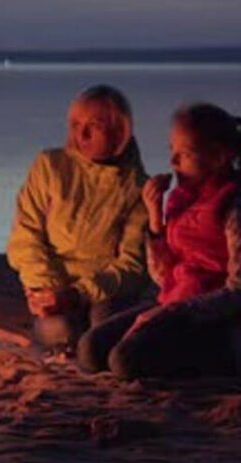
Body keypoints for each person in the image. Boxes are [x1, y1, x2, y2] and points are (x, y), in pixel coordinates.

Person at [78, 102, 241, 378]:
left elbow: (237, 292)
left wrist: (171, 313)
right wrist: (155, 220)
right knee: (91, 349)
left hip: (215, 319)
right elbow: (163, 278)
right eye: (171, 151)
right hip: (174, 303)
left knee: (124, 361)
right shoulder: (181, 198)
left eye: (185, 154)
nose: (173, 162)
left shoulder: (232, 204)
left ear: (219, 157)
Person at [7, 84, 149, 356]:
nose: (81, 134)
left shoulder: (139, 190)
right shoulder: (50, 167)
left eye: (94, 125)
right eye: (75, 124)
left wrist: (79, 294)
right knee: (61, 331)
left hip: (107, 292)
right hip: (55, 288)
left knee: (103, 330)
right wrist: (46, 289)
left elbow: (133, 266)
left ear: (121, 131)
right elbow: (25, 236)